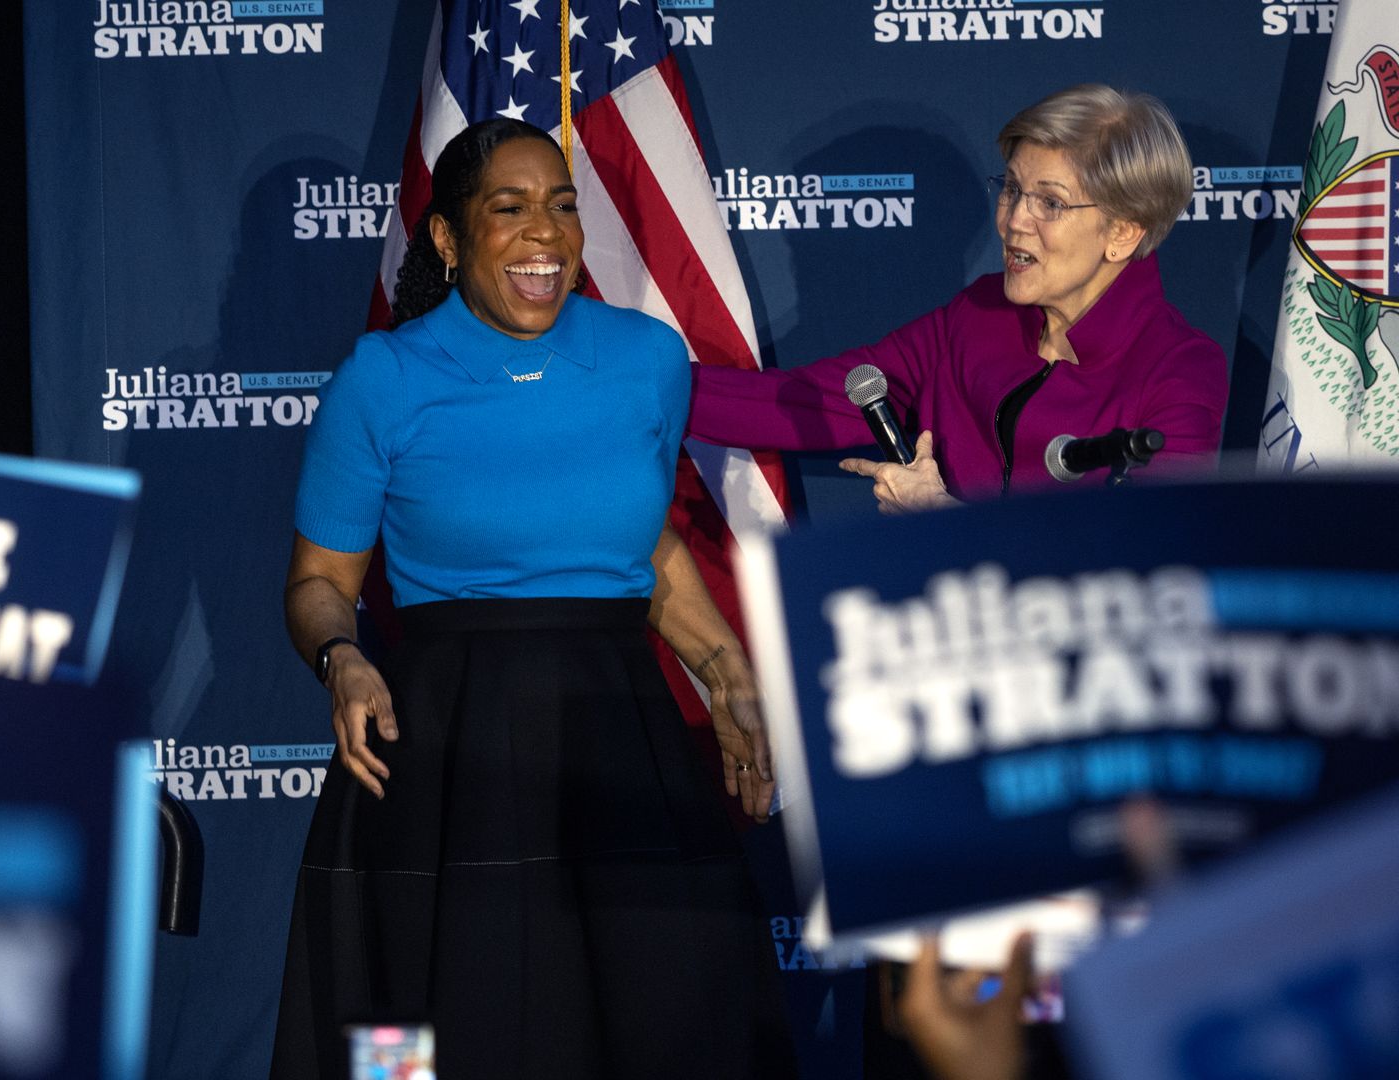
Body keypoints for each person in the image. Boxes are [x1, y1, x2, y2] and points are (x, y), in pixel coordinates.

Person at [271, 118, 794, 1080]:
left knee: (670, 1019)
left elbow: (638, 541)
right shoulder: (382, 380)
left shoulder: (646, 359)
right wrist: (341, 659)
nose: (544, 235)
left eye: (562, 207)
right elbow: (319, 585)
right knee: (442, 1035)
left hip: (618, 732)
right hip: (445, 747)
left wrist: (726, 673)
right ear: (446, 237)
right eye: (508, 210)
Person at [690, 85, 1229, 512]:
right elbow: (814, 400)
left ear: (1123, 234)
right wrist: (642, 385)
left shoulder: (1179, 369)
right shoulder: (979, 313)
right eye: (1013, 189)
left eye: (1050, 203)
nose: (1014, 221)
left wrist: (938, 519)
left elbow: (1151, 567)